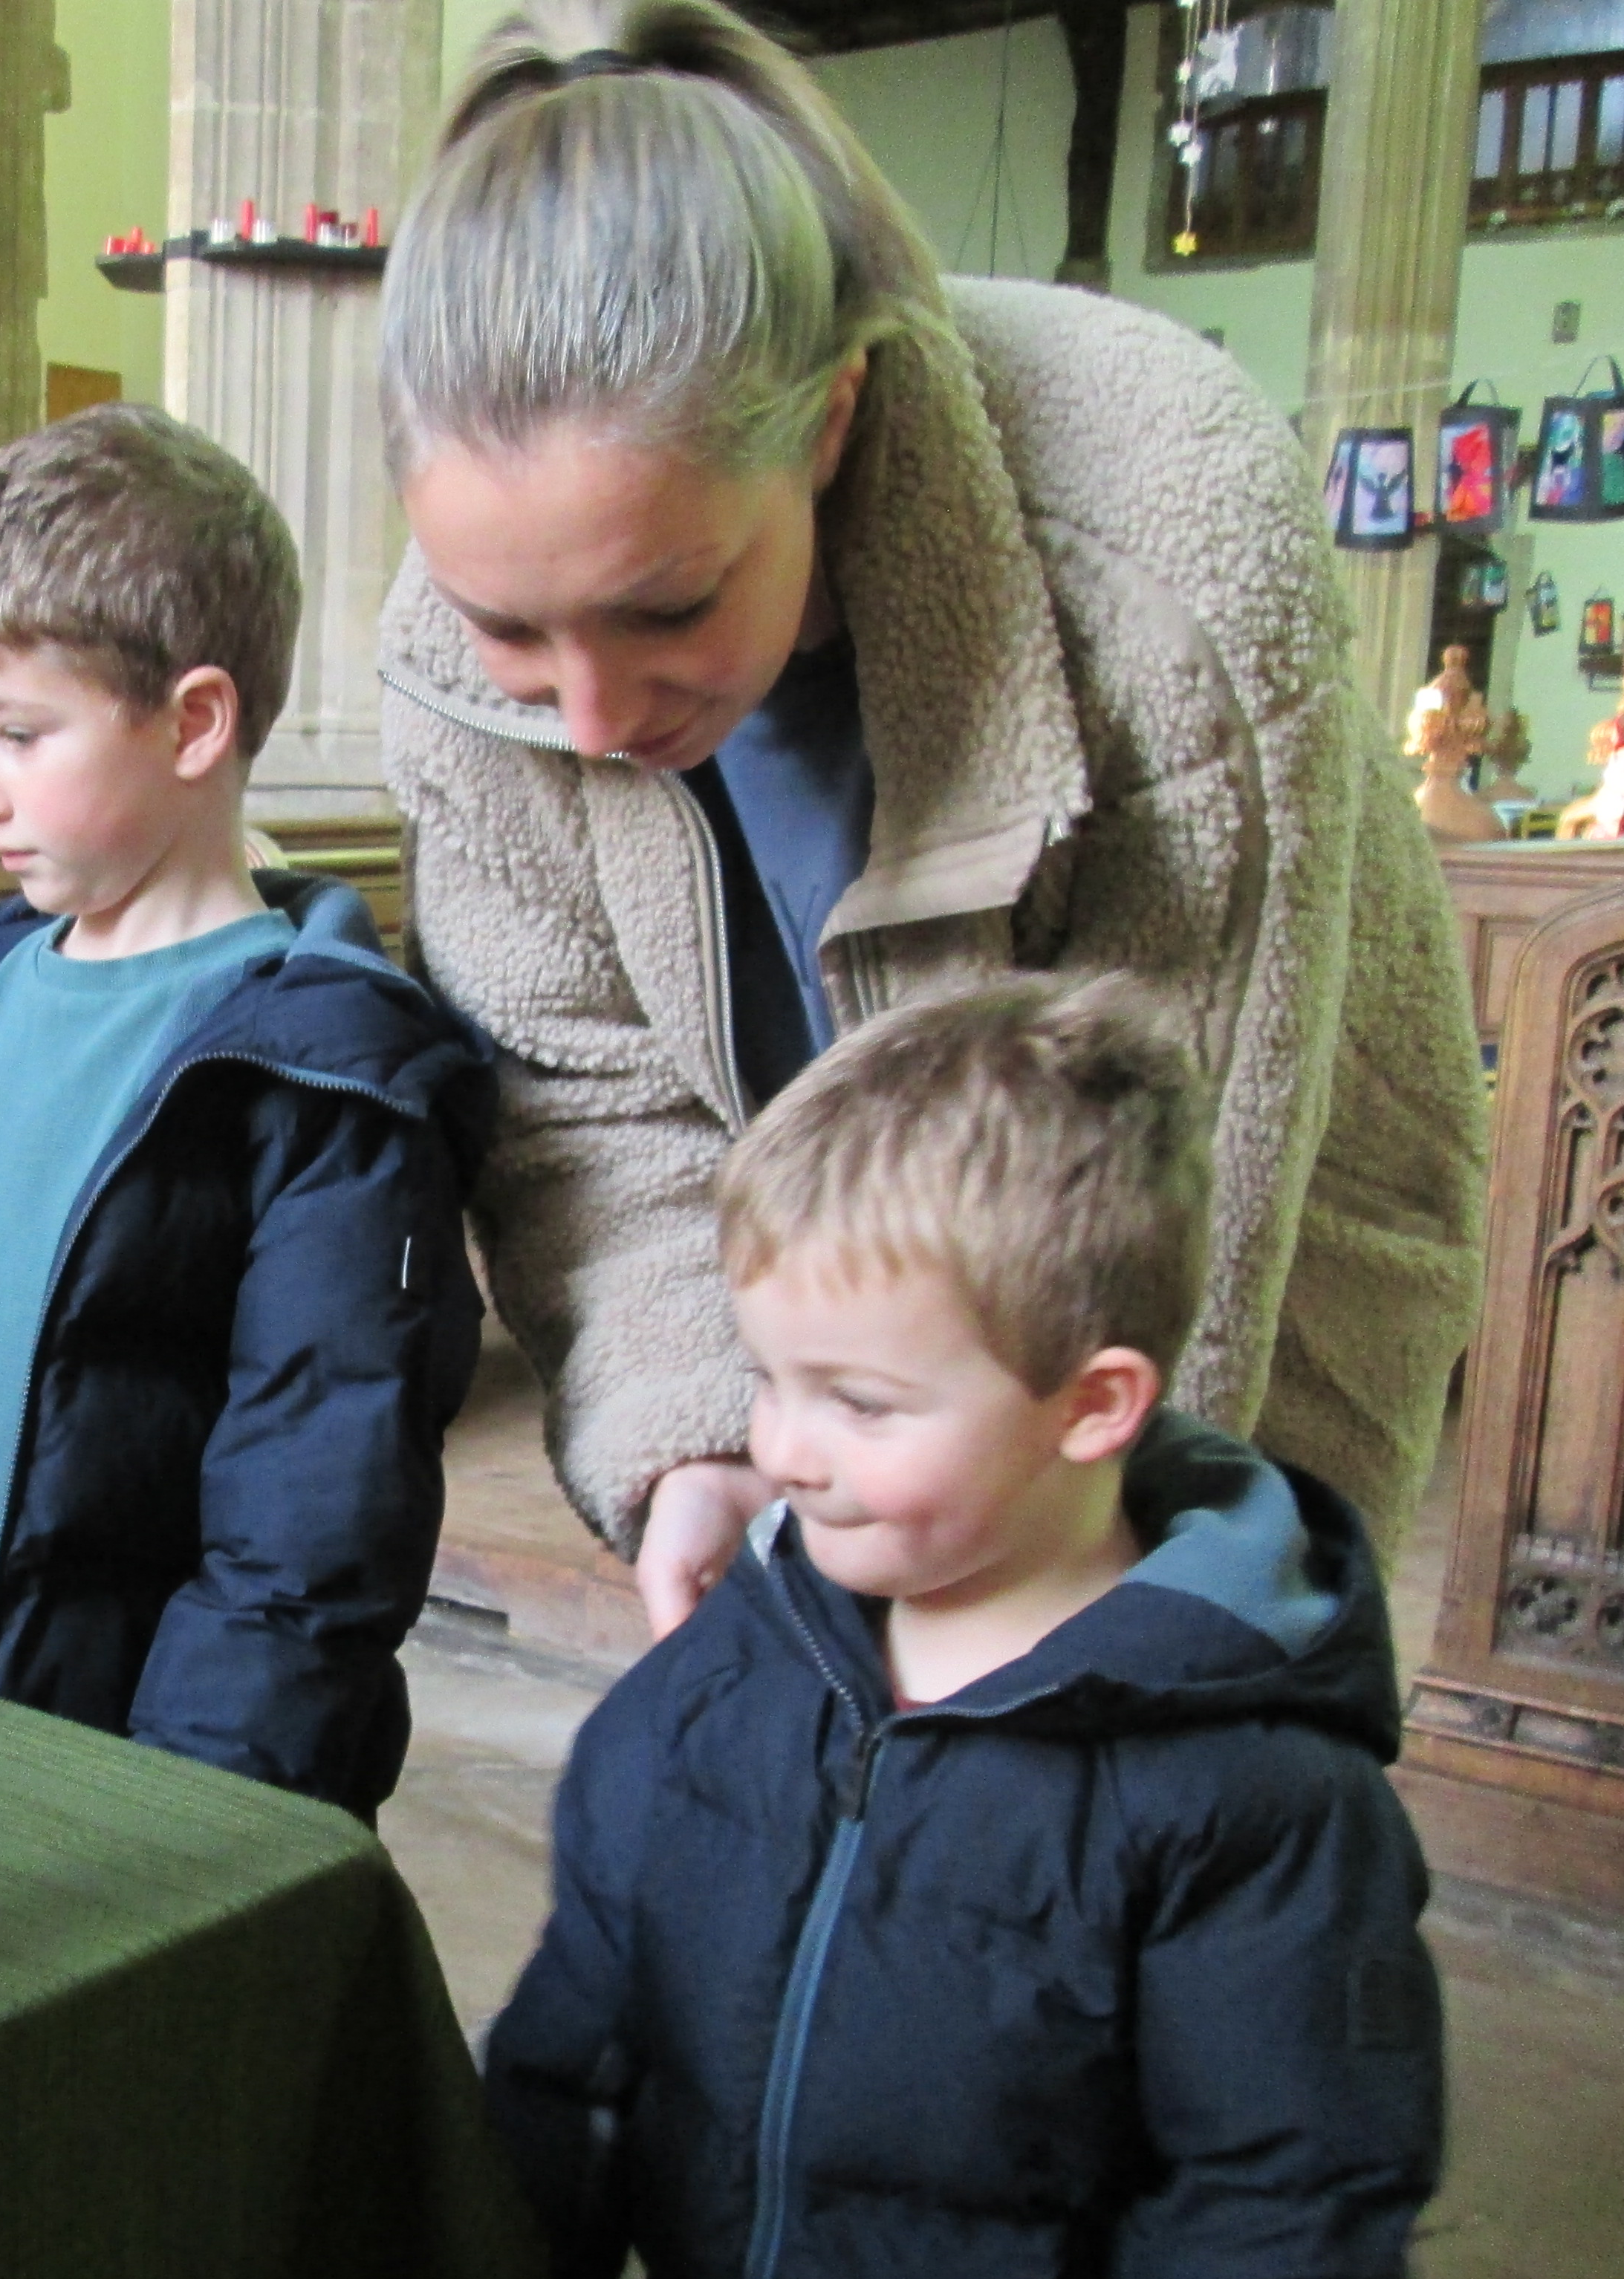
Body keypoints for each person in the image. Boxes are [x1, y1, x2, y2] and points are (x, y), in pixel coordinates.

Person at [377, 0, 1487, 1638]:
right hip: (830, 1348)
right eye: (514, 629)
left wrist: (1069, 1640)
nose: (596, 717)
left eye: (667, 606)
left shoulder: (1158, 539)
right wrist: (700, 1439)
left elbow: (1180, 1205)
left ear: (826, 424)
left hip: (1220, 1306)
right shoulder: (442, 655)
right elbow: (584, 1115)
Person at [484, 977, 1445, 2279]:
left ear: (1095, 1407)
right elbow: (594, 1988)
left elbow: (1278, 2238)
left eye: (860, 1402)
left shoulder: (1252, 1804)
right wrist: (539, 2245)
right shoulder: (749, 1663)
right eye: (770, 1375)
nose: (782, 1450)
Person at [0, 404, 494, 1818]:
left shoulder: (323, 1076)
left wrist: (183, 1846)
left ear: (193, 723)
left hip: (104, 1794)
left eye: (15, 734)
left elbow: (305, 1547)